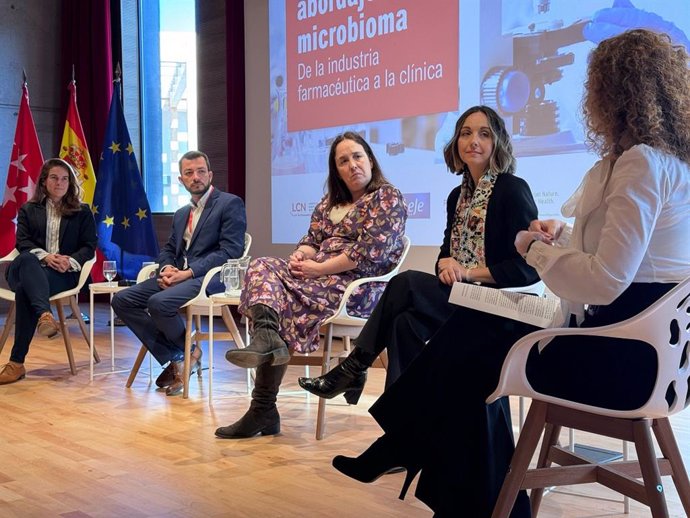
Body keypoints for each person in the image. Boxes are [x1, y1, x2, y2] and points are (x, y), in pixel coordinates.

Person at [330, 29, 690, 517]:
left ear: (609, 94)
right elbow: (628, 254)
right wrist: (561, 235)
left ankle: (404, 441)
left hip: (621, 360)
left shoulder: (640, 164)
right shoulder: (664, 164)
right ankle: (438, 470)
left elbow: (605, 279)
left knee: (469, 339)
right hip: (643, 351)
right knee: (431, 331)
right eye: (464, 133)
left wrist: (534, 251)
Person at [298, 105, 539, 403]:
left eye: (484, 134)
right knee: (404, 325)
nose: (473, 140)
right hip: (465, 301)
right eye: (466, 133)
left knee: (406, 282)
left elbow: (529, 269)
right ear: (456, 143)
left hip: (500, 308)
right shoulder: (457, 197)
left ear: (497, 143)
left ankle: (354, 366)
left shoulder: (512, 190)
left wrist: (468, 273)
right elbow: (444, 256)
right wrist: (446, 267)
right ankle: (403, 425)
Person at [216, 131, 407, 439]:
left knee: (280, 301)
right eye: (343, 161)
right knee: (262, 265)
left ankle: (262, 409)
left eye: (357, 156)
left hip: (355, 288)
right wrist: (300, 257)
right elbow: (311, 241)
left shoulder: (386, 198)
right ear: (336, 170)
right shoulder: (329, 203)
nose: (352, 165)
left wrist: (317, 269)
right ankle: (267, 338)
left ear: (370, 160)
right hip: (317, 279)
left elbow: (368, 252)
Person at [112, 150, 246, 396]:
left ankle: (182, 357)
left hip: (209, 278)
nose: (196, 177)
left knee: (158, 303)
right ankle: (181, 354)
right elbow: (169, 249)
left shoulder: (229, 203)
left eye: (200, 171)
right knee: (122, 299)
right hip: (181, 276)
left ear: (210, 174)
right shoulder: (182, 213)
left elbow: (231, 251)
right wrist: (166, 268)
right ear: (181, 180)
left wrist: (188, 272)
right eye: (189, 173)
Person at [0, 158, 97, 385]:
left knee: (26, 291)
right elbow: (22, 242)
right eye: (54, 177)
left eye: (65, 179)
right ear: (44, 181)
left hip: (61, 274)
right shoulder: (28, 209)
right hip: (25, 268)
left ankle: (16, 363)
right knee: (26, 259)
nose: (60, 183)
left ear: (71, 183)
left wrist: (70, 261)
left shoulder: (82, 212)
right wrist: (46, 256)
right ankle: (44, 314)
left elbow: (88, 246)